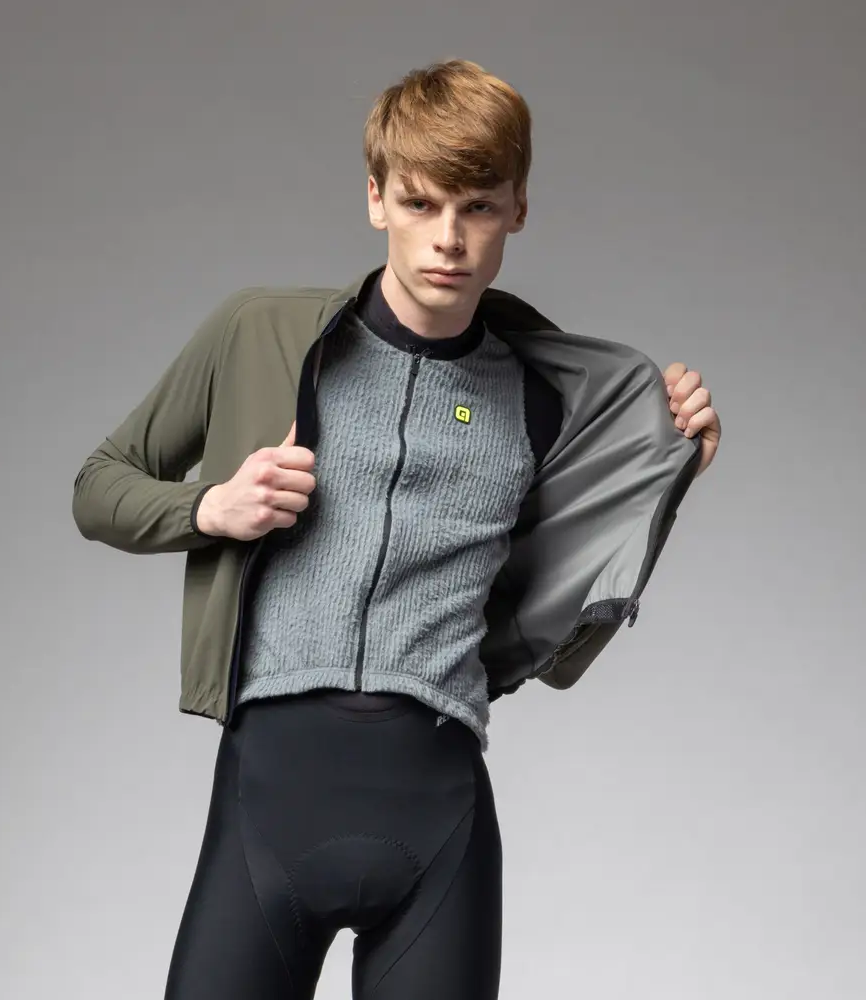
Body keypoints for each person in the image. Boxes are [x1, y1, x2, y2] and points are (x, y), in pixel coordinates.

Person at [72, 59, 721, 1000]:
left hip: (439, 824)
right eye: (420, 204)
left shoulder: (546, 397)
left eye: (478, 208)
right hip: (266, 806)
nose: (448, 239)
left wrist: (669, 464)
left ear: (518, 210)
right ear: (375, 198)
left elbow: (566, 598)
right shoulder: (261, 334)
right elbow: (98, 486)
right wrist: (211, 507)